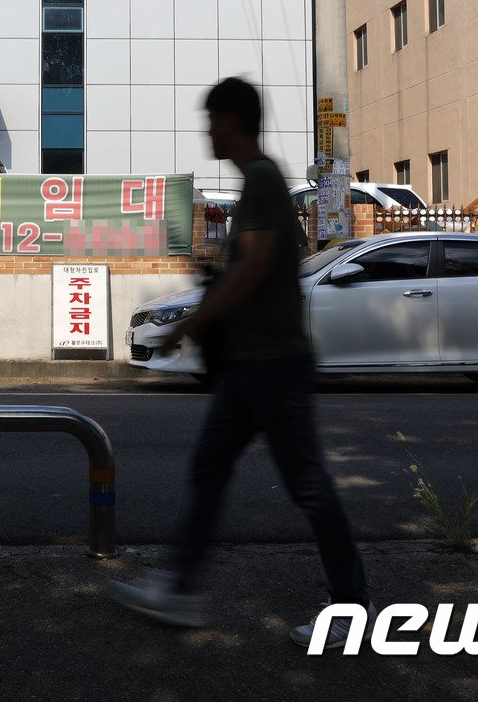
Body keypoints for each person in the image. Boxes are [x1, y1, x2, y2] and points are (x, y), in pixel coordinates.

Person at [106, 76, 374, 649]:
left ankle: (352, 608)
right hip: (253, 366)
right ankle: (179, 585)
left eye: (211, 120)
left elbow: (251, 268)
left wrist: (191, 321)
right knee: (210, 470)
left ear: (230, 121)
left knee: (306, 486)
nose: (207, 131)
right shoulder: (262, 182)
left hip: (272, 366)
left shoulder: (260, 180)